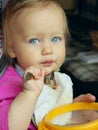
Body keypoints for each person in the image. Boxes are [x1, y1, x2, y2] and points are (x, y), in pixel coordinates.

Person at [0, 0, 98, 130]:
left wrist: (72, 110)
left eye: (55, 39)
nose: (48, 49)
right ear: (12, 48)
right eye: (34, 40)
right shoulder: (8, 85)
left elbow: (50, 118)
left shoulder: (54, 78)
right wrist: (29, 94)